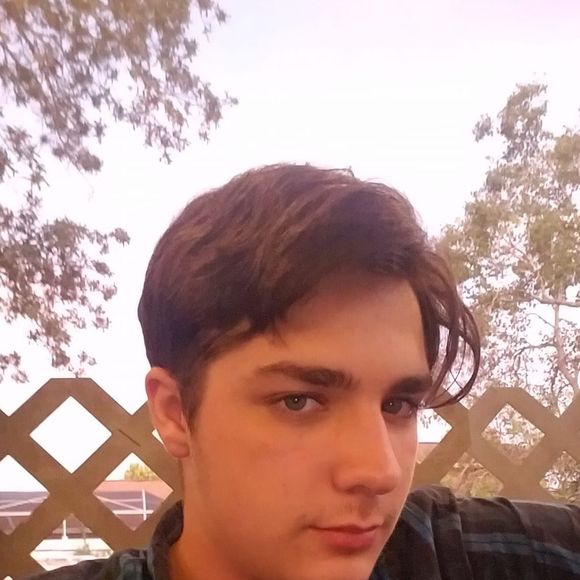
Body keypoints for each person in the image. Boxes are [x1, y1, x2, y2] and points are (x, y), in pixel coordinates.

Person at [29, 164, 580, 580]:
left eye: (398, 405)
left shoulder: (465, 557)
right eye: (300, 401)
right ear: (174, 413)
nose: (380, 471)